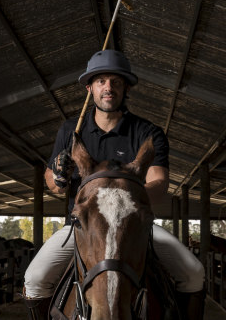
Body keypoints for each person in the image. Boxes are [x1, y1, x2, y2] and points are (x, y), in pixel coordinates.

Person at [23, 50, 205, 319]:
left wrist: (124, 195)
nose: (108, 88)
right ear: (90, 88)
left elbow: (159, 182)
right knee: (35, 279)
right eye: (101, 81)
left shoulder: (148, 132)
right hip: (82, 228)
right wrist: (59, 177)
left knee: (193, 272)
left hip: (135, 225)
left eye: (116, 82)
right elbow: (53, 183)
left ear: (125, 88)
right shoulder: (71, 131)